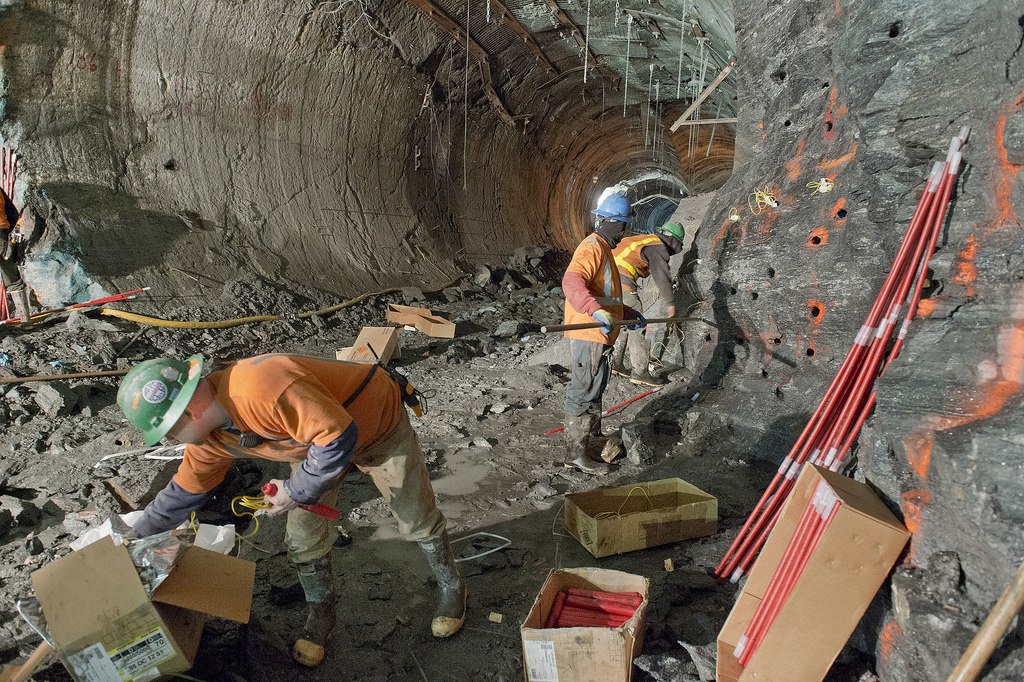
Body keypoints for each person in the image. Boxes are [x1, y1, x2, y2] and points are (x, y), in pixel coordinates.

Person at [117, 353, 466, 667]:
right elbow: (181, 494)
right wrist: (131, 545)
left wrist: (296, 490)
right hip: (313, 445)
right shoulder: (212, 438)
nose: (169, 441)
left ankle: (452, 588)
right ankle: (322, 615)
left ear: (189, 413)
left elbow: (338, 437)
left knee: (414, 514)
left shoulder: (261, 388)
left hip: (376, 426)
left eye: (168, 432)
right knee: (302, 536)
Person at [560, 193, 646, 475]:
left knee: (594, 390)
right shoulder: (592, 247)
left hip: (600, 334)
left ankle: (591, 441)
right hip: (589, 332)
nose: (624, 233)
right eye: (624, 226)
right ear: (614, 222)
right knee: (583, 391)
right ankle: (575, 454)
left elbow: (605, 295)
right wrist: (594, 311)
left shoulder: (605, 250)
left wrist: (627, 314)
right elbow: (572, 281)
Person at [610, 221, 692, 386]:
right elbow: (662, 275)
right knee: (637, 322)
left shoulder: (644, 240)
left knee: (623, 322)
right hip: (619, 282)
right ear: (674, 241)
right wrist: (670, 302)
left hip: (605, 282)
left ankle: (615, 364)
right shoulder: (657, 247)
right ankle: (640, 373)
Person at [0, 189, 34, 327]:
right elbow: (13, 213)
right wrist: (6, 232)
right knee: (13, 280)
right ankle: (26, 322)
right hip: (2, 236)